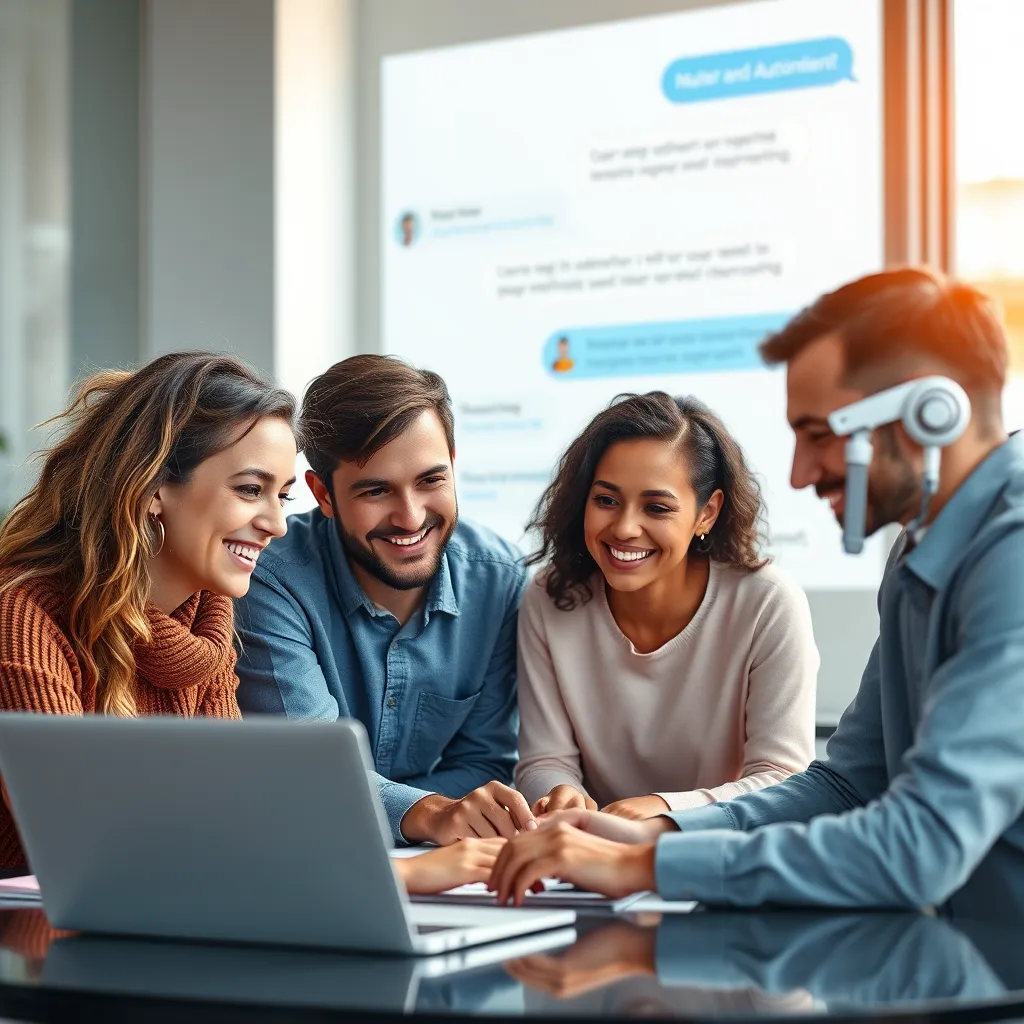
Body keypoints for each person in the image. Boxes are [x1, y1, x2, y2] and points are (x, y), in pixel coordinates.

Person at [488, 267, 1024, 922]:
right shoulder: (923, 546)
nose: (799, 473)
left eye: (819, 434)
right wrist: (659, 834)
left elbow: (921, 845)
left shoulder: (1013, 555)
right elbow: (846, 783)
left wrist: (643, 866)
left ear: (925, 411)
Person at [0, 353, 298, 870]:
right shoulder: (22, 615)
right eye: (251, 490)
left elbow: (230, 820)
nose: (277, 524)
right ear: (155, 487)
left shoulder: (204, 629)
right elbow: (80, 832)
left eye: (283, 496)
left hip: (154, 917)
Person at [234, 355, 532, 846]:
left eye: (431, 480)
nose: (410, 517)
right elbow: (308, 775)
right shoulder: (269, 581)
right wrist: (430, 815)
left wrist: (421, 815)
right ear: (323, 495)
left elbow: (483, 764)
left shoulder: (499, 581)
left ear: (453, 466)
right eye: (376, 490)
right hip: (304, 858)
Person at [516, 392, 817, 820]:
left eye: (656, 507)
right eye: (606, 500)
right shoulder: (550, 598)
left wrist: (663, 812)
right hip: (589, 855)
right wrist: (561, 793)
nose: (623, 527)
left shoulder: (766, 602)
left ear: (707, 513)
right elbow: (544, 760)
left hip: (717, 856)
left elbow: (781, 779)